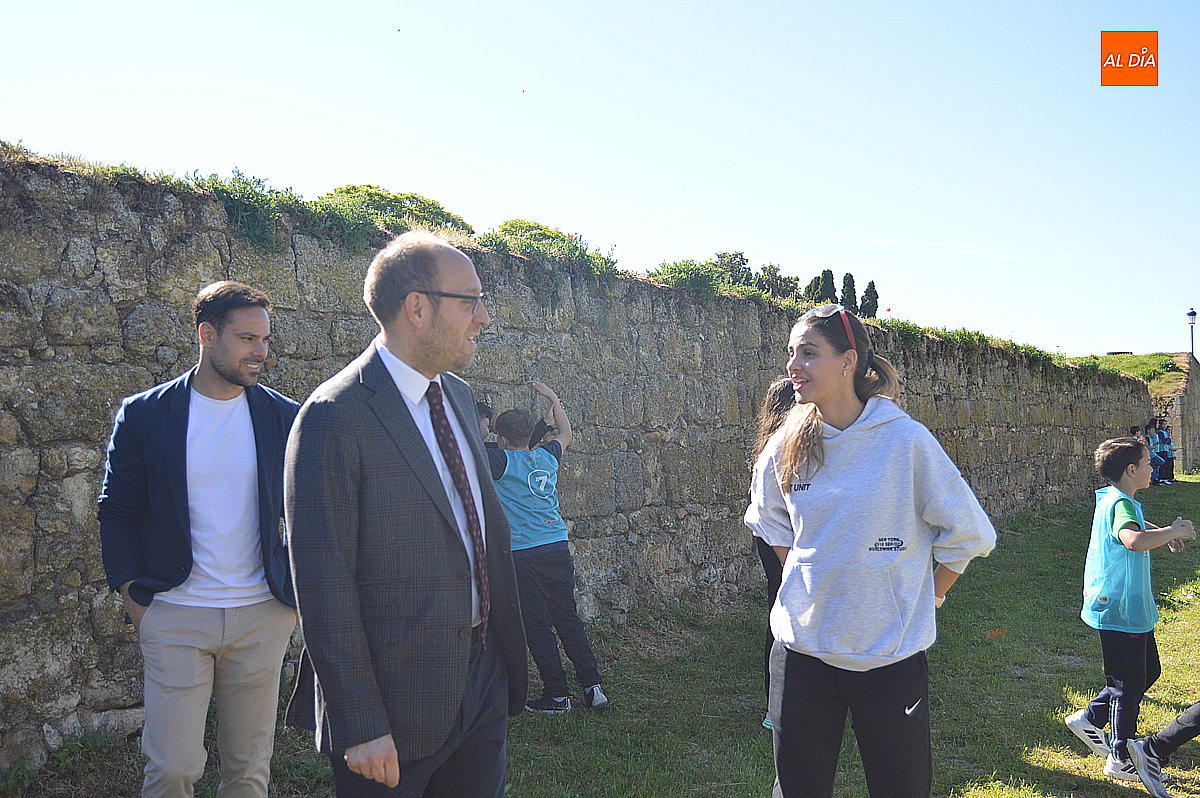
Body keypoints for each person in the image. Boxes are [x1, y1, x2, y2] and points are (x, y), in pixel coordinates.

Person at [284, 230, 527, 797]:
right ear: (417, 308)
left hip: (481, 682)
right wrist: (361, 723)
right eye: (470, 301)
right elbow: (322, 586)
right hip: (393, 707)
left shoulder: (458, 397)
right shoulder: (333, 416)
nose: (484, 318)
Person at [744, 304, 996, 798]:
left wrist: (931, 596)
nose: (793, 365)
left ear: (848, 361)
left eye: (808, 353)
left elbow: (970, 532)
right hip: (800, 656)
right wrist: (807, 575)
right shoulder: (786, 444)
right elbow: (767, 516)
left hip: (888, 659)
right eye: (790, 353)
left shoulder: (905, 441)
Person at [97, 281, 300, 798]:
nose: (261, 351)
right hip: (175, 612)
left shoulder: (285, 417)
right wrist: (133, 596)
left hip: (262, 614)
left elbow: (315, 511)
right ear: (207, 335)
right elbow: (116, 509)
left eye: (265, 339)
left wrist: (294, 601)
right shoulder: (145, 414)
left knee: (248, 772)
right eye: (247, 339)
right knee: (172, 770)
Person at [1064, 437, 1195, 784]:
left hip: (1126, 608)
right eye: (1148, 463)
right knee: (1127, 685)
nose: (1154, 467)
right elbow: (1133, 540)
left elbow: (1135, 525)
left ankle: (1091, 718)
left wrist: (1162, 533)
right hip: (1120, 609)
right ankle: (1120, 757)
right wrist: (1174, 530)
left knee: (1147, 672)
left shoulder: (1115, 497)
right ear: (1131, 470)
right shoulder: (1121, 503)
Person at [488, 381, 608, 714]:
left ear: (502, 440)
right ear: (531, 437)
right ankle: (593, 686)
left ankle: (557, 695)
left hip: (524, 554)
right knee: (567, 618)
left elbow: (466, 448)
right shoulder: (547, 456)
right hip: (556, 545)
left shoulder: (498, 461)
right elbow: (566, 432)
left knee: (538, 625)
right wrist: (553, 399)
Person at [749, 376, 796, 731]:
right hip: (776, 539)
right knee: (782, 613)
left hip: (775, 538)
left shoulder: (780, 444)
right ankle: (775, 706)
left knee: (782, 610)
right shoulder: (776, 449)